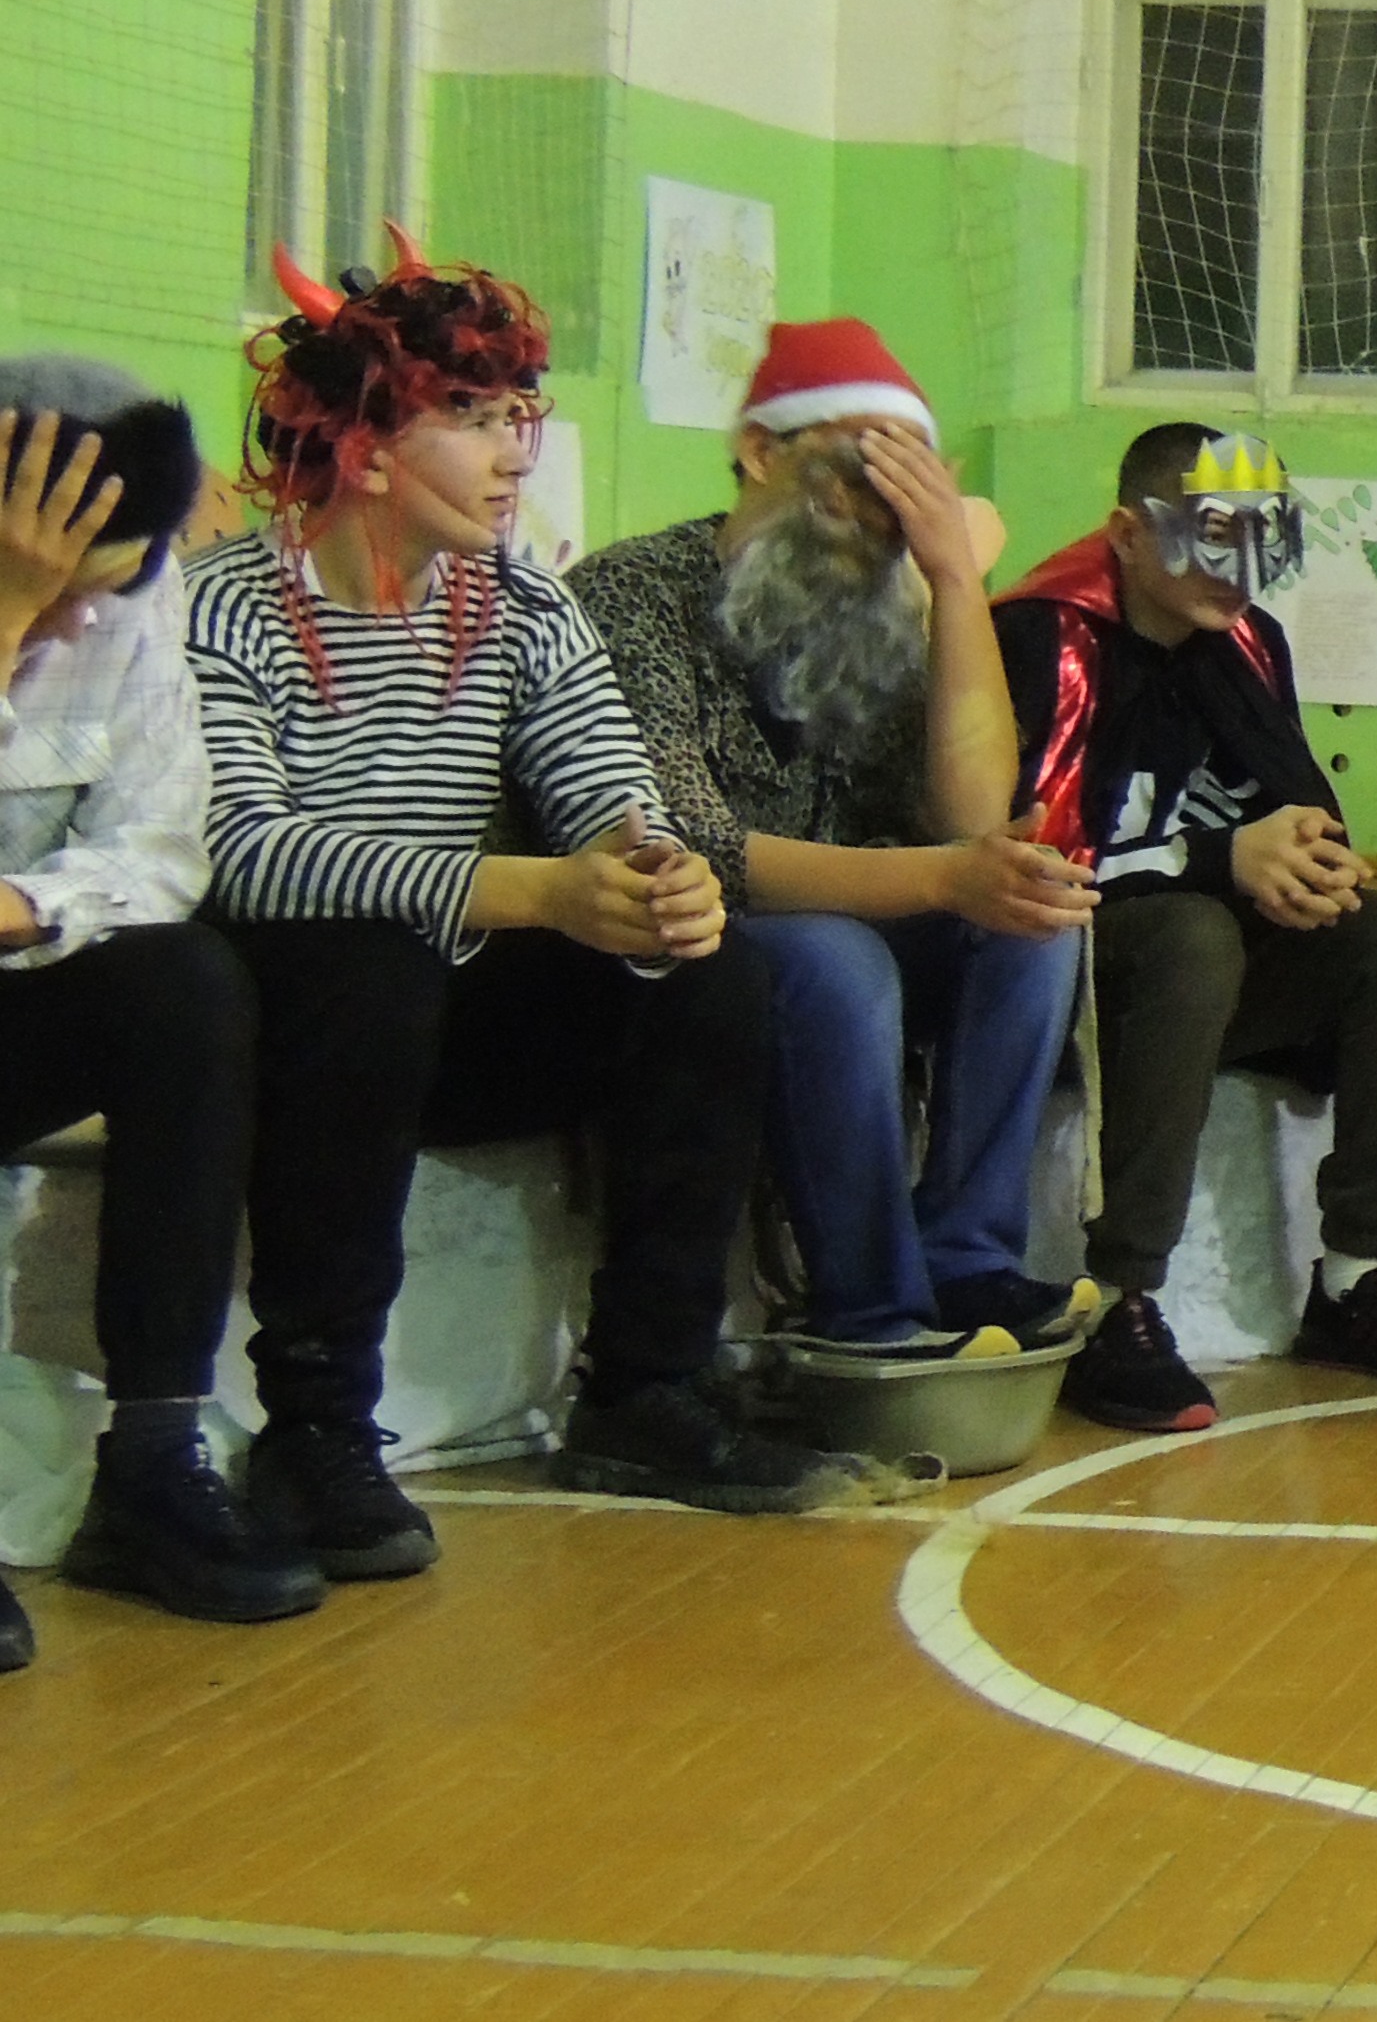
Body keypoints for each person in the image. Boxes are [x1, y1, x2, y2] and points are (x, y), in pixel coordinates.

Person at [191, 246, 854, 1574]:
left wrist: (652, 871)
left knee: (711, 967)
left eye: (516, 416)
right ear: (368, 448)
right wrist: (533, 890)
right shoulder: (227, 605)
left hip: (443, 1003)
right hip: (290, 1022)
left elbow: (605, 781)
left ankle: (646, 1389)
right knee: (371, 967)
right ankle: (315, 1425)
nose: (514, 454)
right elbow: (237, 848)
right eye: (473, 417)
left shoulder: (517, 598)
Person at [570, 320, 1096, 1354]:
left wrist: (954, 580)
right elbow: (689, 842)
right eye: (861, 473)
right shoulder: (632, 590)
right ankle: (871, 1308)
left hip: (851, 927)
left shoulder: (881, 610)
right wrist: (942, 877)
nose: (881, 514)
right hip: (685, 934)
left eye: (912, 489)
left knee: (1035, 920)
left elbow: (971, 817)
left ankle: (968, 1260)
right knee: (836, 955)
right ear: (761, 452)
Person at [996, 425, 1377, 1419]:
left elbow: (1281, 799)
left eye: (1267, 537)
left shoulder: (1251, 642)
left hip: (1204, 970)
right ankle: (1120, 1299)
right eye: (1213, 535)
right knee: (1193, 933)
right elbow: (1022, 860)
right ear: (1128, 533)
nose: (1242, 568)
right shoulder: (1041, 638)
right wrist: (1219, 859)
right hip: (1066, 966)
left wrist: (1314, 861)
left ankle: (1355, 1278)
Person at [0, 367, 323, 1665]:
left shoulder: (134, 593)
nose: (88, 612)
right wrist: (4, 611)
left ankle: (150, 1462)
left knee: (187, 985)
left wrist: (24, 903)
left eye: (111, 582)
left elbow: (160, 850)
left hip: (19, 969)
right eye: (62, 585)